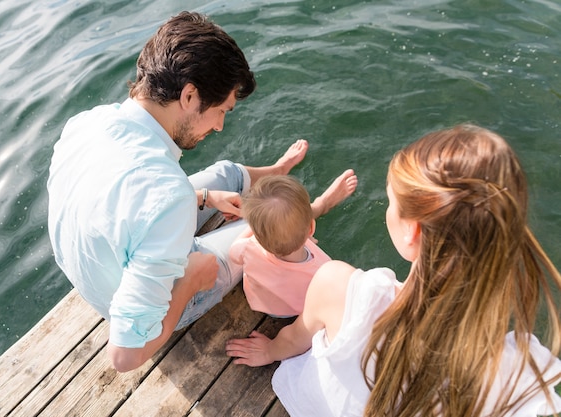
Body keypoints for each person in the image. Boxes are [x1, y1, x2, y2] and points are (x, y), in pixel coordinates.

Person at [226, 124, 561, 416]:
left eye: (391, 201)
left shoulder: (340, 287)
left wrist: (269, 350)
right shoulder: (514, 376)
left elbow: (295, 339)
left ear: (411, 231)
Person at [47, 11, 310, 373]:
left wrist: (202, 198)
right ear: (189, 95)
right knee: (266, 230)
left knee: (223, 174)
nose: (219, 126)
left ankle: (275, 171)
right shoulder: (165, 194)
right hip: (153, 307)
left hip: (104, 267)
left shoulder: (86, 123)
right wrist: (189, 282)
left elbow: (136, 201)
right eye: (221, 111)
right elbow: (126, 355)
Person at [229, 171, 357, 317]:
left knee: (284, 228)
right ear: (311, 229)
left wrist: (260, 224)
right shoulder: (323, 269)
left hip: (262, 303)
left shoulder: (246, 249)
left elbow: (233, 251)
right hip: (292, 313)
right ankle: (321, 206)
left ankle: (306, 219)